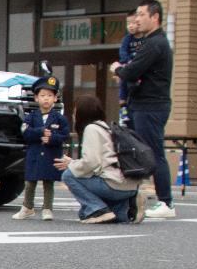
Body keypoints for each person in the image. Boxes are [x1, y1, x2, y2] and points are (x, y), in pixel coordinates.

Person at [113, 0, 174, 216]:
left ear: (155, 17)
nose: (137, 19)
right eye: (136, 15)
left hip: (151, 105)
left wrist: (117, 69)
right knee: (138, 152)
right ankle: (134, 197)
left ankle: (166, 202)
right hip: (143, 104)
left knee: (154, 153)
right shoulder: (149, 42)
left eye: (141, 14)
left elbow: (132, 71)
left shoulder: (155, 43)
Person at [57, 93, 151, 224]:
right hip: (129, 184)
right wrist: (73, 162)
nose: (73, 115)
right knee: (105, 217)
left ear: (82, 112)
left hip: (113, 185)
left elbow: (91, 162)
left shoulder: (91, 129)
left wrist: (71, 165)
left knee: (68, 175)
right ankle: (130, 204)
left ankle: (98, 209)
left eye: (75, 111)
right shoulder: (105, 127)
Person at [17, 78, 66, 220]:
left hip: (51, 154)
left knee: (48, 182)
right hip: (35, 154)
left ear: (55, 98)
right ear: (36, 98)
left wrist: (52, 138)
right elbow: (25, 132)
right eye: (43, 95)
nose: (46, 99)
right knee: (30, 182)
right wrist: (40, 132)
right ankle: (27, 207)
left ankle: (47, 208)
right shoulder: (31, 117)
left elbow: (64, 135)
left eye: (50, 95)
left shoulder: (60, 118)